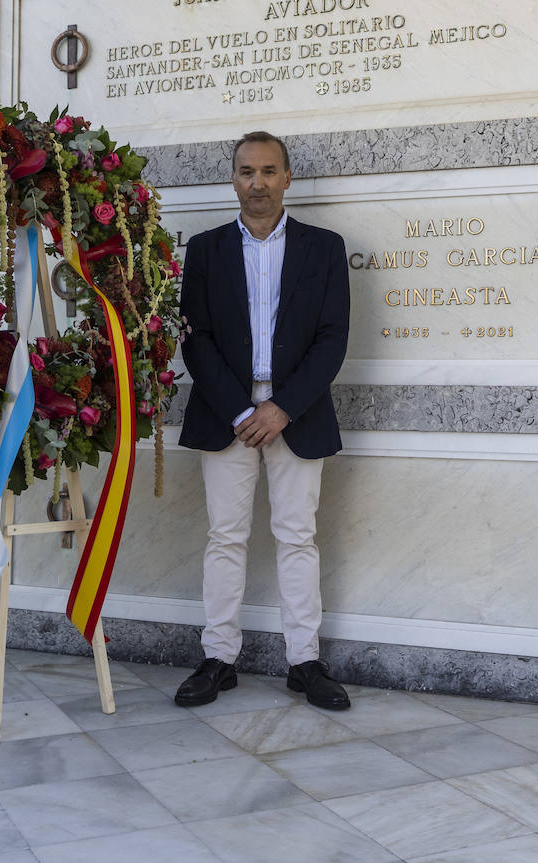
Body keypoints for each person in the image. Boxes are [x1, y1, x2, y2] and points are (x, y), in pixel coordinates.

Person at [174, 131, 352, 710]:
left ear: (287, 178)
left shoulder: (323, 248)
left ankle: (304, 662)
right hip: (226, 410)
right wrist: (240, 409)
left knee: (297, 537)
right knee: (224, 537)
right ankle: (218, 658)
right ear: (233, 179)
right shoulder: (204, 250)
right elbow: (195, 340)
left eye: (269, 171)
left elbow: (332, 339)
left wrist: (281, 407)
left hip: (295, 412)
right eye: (247, 172)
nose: (258, 183)